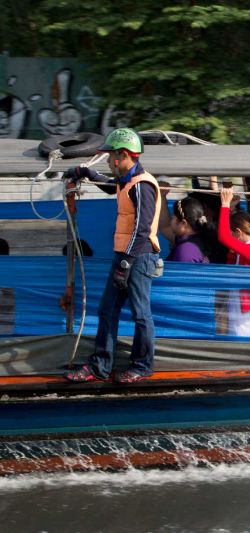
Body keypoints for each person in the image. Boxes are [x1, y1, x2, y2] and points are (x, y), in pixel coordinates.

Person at [63, 128, 162, 384]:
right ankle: (100, 366)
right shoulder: (126, 180)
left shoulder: (143, 186)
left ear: (124, 156)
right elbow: (109, 186)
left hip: (139, 257)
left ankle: (142, 366)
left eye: (111, 157)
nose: (108, 161)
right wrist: (85, 172)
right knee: (107, 310)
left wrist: (126, 263)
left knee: (141, 313)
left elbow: (142, 229)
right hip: (125, 256)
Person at [218, 187, 250, 337]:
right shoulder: (243, 249)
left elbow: (223, 236)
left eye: (233, 233)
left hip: (246, 315)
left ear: (238, 233)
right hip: (235, 307)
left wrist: (225, 204)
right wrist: (231, 208)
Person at [160, 196, 212, 263]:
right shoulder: (197, 238)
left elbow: (183, 273)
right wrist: (162, 195)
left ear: (183, 223)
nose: (171, 221)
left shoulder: (186, 250)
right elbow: (165, 227)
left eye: (173, 217)